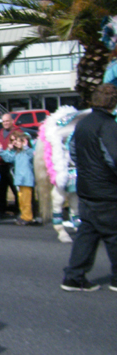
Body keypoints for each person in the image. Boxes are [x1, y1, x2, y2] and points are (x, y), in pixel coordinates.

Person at [61, 83, 117, 292]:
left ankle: (74, 276)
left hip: (86, 186)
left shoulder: (82, 124)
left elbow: (73, 152)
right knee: (113, 234)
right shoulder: (109, 125)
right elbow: (113, 159)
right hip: (107, 189)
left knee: (88, 232)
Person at [0, 130, 36, 225]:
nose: (17, 143)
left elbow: (32, 154)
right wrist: (3, 151)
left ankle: (28, 217)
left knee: (27, 200)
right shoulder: (17, 153)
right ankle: (23, 215)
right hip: (19, 180)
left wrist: (26, 145)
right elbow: (8, 158)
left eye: (19, 141)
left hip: (27, 180)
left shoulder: (29, 152)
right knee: (21, 200)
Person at [0, 113, 21, 215]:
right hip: (1, 165)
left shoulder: (18, 132)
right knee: (1, 191)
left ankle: (20, 211)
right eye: (4, 121)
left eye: (7, 121)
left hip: (13, 167)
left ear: (12, 121)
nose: (5, 123)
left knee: (16, 190)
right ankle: (1, 211)